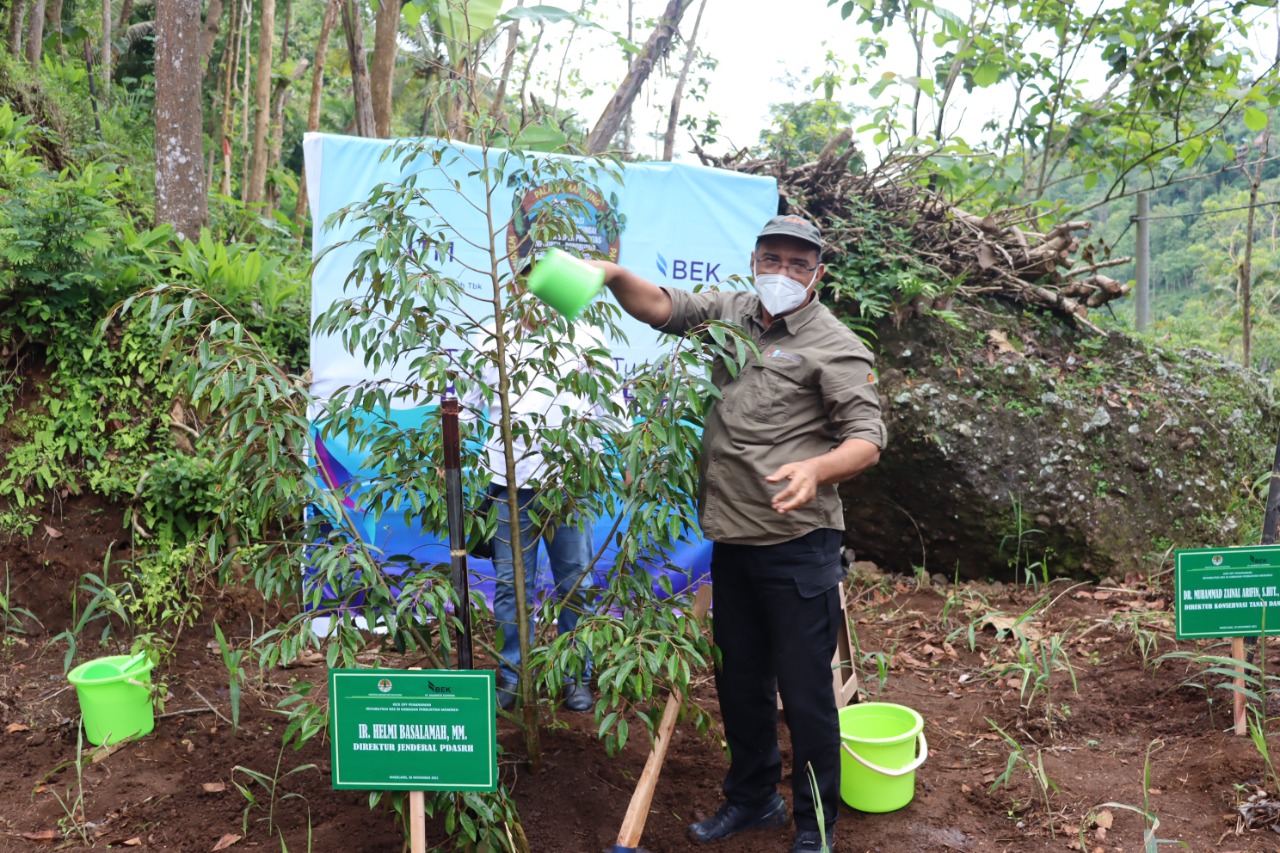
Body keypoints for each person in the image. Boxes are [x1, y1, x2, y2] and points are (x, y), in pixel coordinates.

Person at [589, 215, 885, 853]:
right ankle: (754, 800)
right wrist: (611, 274)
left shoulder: (834, 344)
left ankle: (815, 825)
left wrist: (816, 468)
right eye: (772, 259)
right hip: (733, 540)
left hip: (798, 545)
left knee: (805, 696)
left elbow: (866, 439)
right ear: (755, 261)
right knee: (740, 681)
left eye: (798, 263)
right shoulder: (732, 313)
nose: (783, 272)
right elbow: (662, 306)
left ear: (817, 274)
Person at [461, 261, 610, 714]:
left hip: (570, 486)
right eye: (530, 282)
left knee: (575, 583)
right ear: (516, 286)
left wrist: (625, 461)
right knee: (511, 587)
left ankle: (575, 675)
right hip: (508, 487)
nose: (539, 293)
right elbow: (465, 406)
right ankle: (513, 674)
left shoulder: (587, 339)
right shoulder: (491, 339)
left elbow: (610, 409)